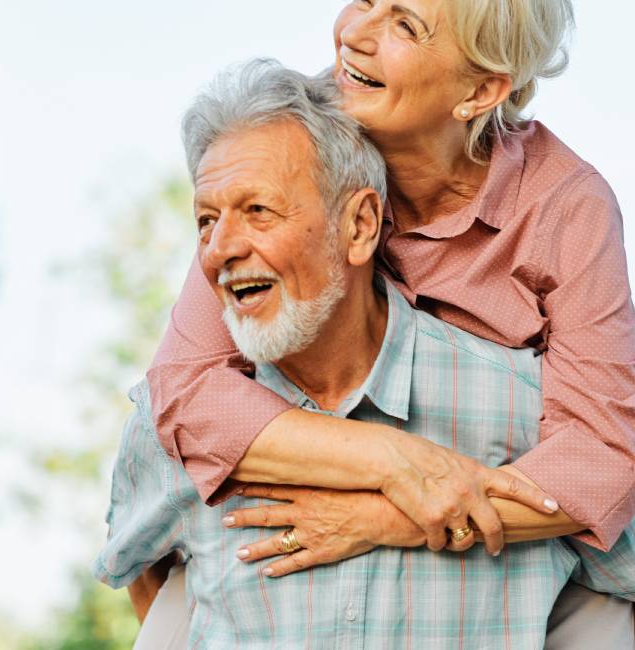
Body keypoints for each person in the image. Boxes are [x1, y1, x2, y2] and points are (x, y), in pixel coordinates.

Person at [145, 1, 635, 647]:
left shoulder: (565, 206)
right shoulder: (297, 143)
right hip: (353, 449)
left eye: (404, 24)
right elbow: (185, 390)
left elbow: (599, 460)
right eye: (364, 2)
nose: (354, 36)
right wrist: (400, 463)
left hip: (508, 481)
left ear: (480, 91)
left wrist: (383, 517)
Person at [100, 61, 609, 647]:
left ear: (361, 225)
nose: (220, 249)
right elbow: (142, 573)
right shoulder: (166, 430)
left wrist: (385, 521)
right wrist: (399, 464)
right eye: (206, 221)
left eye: (259, 210)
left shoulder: (526, 407)